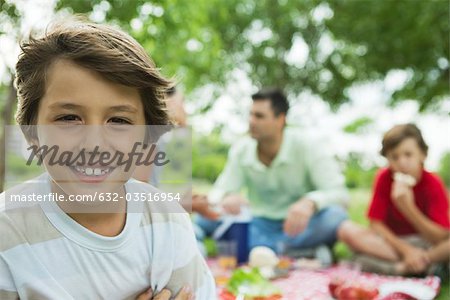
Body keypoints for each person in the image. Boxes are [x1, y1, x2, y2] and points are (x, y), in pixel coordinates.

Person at [0, 18, 215, 299]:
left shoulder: (167, 223)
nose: (94, 144)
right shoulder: (7, 232)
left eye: (119, 120)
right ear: (33, 134)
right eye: (68, 118)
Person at [197, 88, 348, 258]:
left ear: (280, 120)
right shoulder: (242, 149)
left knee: (335, 216)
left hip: (299, 226)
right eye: (251, 114)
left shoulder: (308, 145)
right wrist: (226, 198)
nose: (251, 121)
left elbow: (340, 194)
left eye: (259, 116)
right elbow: (219, 191)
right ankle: (299, 252)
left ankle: (261, 251)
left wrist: (310, 203)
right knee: (202, 219)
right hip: (257, 224)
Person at [338, 124, 450, 275]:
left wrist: (407, 208)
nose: (402, 162)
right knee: (346, 229)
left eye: (408, 155)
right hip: (391, 244)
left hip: (427, 244)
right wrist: (406, 250)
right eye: (394, 157)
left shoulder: (433, 183)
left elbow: (440, 236)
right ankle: (422, 266)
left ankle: (408, 266)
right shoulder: (384, 178)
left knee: (446, 245)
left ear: (422, 155)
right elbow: (376, 224)